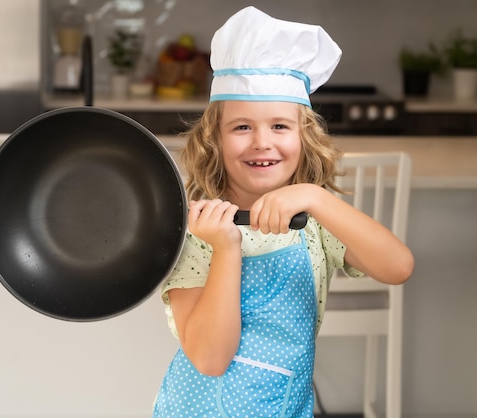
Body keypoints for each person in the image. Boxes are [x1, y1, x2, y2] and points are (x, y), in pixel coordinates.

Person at [152, 6, 414, 418]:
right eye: (241, 127)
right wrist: (225, 248)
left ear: (304, 137)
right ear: (214, 140)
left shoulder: (314, 223)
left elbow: (398, 267)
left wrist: (319, 199)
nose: (262, 142)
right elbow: (209, 359)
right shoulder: (198, 233)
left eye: (279, 126)